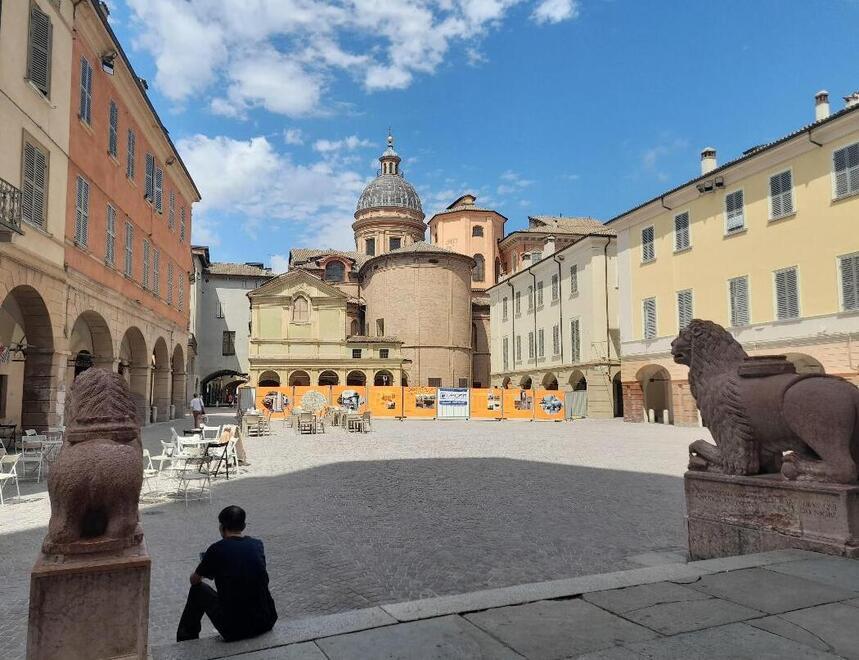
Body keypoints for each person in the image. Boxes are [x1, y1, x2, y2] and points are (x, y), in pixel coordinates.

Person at [177, 506, 277, 642]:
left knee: (197, 590)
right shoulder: (257, 545)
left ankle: (186, 640)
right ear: (243, 526)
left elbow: (194, 581)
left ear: (221, 527)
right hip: (266, 621)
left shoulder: (216, 550)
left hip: (235, 629)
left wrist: (206, 568)